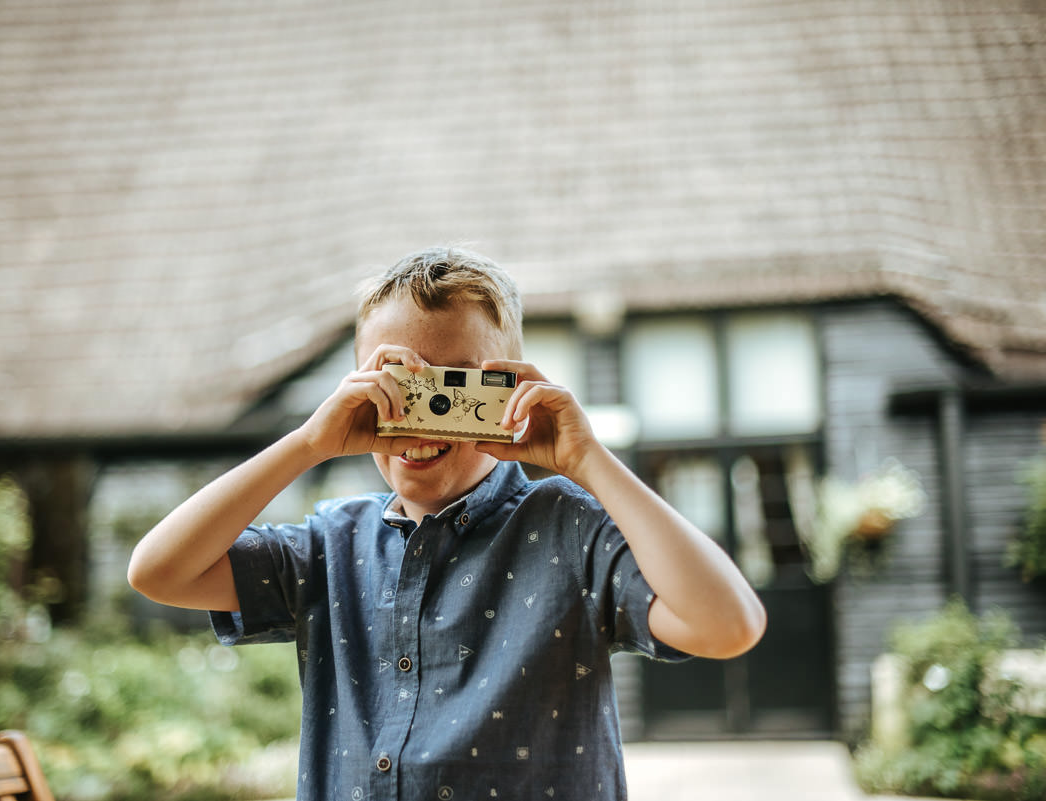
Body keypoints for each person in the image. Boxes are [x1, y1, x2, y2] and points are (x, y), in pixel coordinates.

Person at [128, 246, 766, 801]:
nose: (425, 414)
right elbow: (159, 571)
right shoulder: (331, 544)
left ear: (507, 389)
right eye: (396, 381)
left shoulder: (571, 530)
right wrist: (307, 444)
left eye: (454, 385)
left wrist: (588, 461)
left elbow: (728, 625)